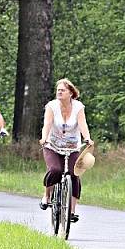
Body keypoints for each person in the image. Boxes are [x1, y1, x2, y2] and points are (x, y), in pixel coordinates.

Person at [38, 78, 92, 223]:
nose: (59, 92)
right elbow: (47, 124)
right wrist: (44, 138)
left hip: (72, 147)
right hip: (52, 145)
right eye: (58, 90)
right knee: (55, 170)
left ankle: (72, 210)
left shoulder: (78, 107)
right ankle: (47, 196)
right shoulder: (52, 106)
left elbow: (82, 124)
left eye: (62, 90)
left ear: (71, 93)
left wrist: (87, 138)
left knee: (75, 174)